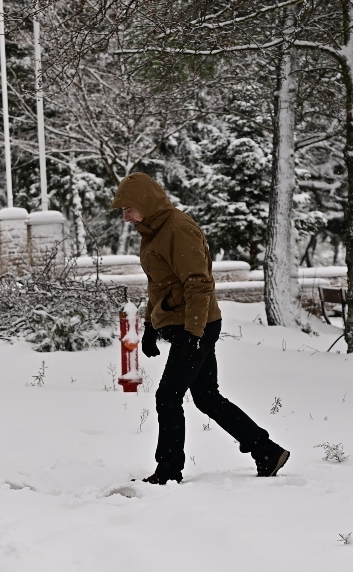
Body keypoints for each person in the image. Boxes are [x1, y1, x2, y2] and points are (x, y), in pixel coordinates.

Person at [111, 172, 290, 484]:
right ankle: (266, 450)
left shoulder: (178, 229)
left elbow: (199, 284)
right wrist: (153, 324)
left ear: (144, 203)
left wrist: (194, 335)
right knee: (206, 397)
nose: (125, 217)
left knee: (168, 396)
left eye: (128, 209)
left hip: (196, 324)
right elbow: (161, 284)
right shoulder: (152, 232)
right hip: (184, 324)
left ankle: (168, 470)